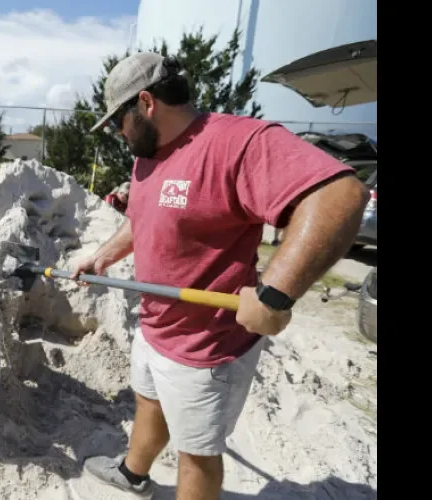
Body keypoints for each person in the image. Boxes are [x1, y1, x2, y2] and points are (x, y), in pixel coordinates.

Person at [72, 52, 370, 499]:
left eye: (119, 121)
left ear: (146, 103)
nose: (118, 133)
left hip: (205, 348)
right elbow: (142, 217)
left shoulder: (237, 142)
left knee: (197, 455)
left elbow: (341, 195)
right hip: (156, 327)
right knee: (149, 404)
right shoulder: (148, 154)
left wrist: (275, 293)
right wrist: (102, 257)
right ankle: (133, 473)